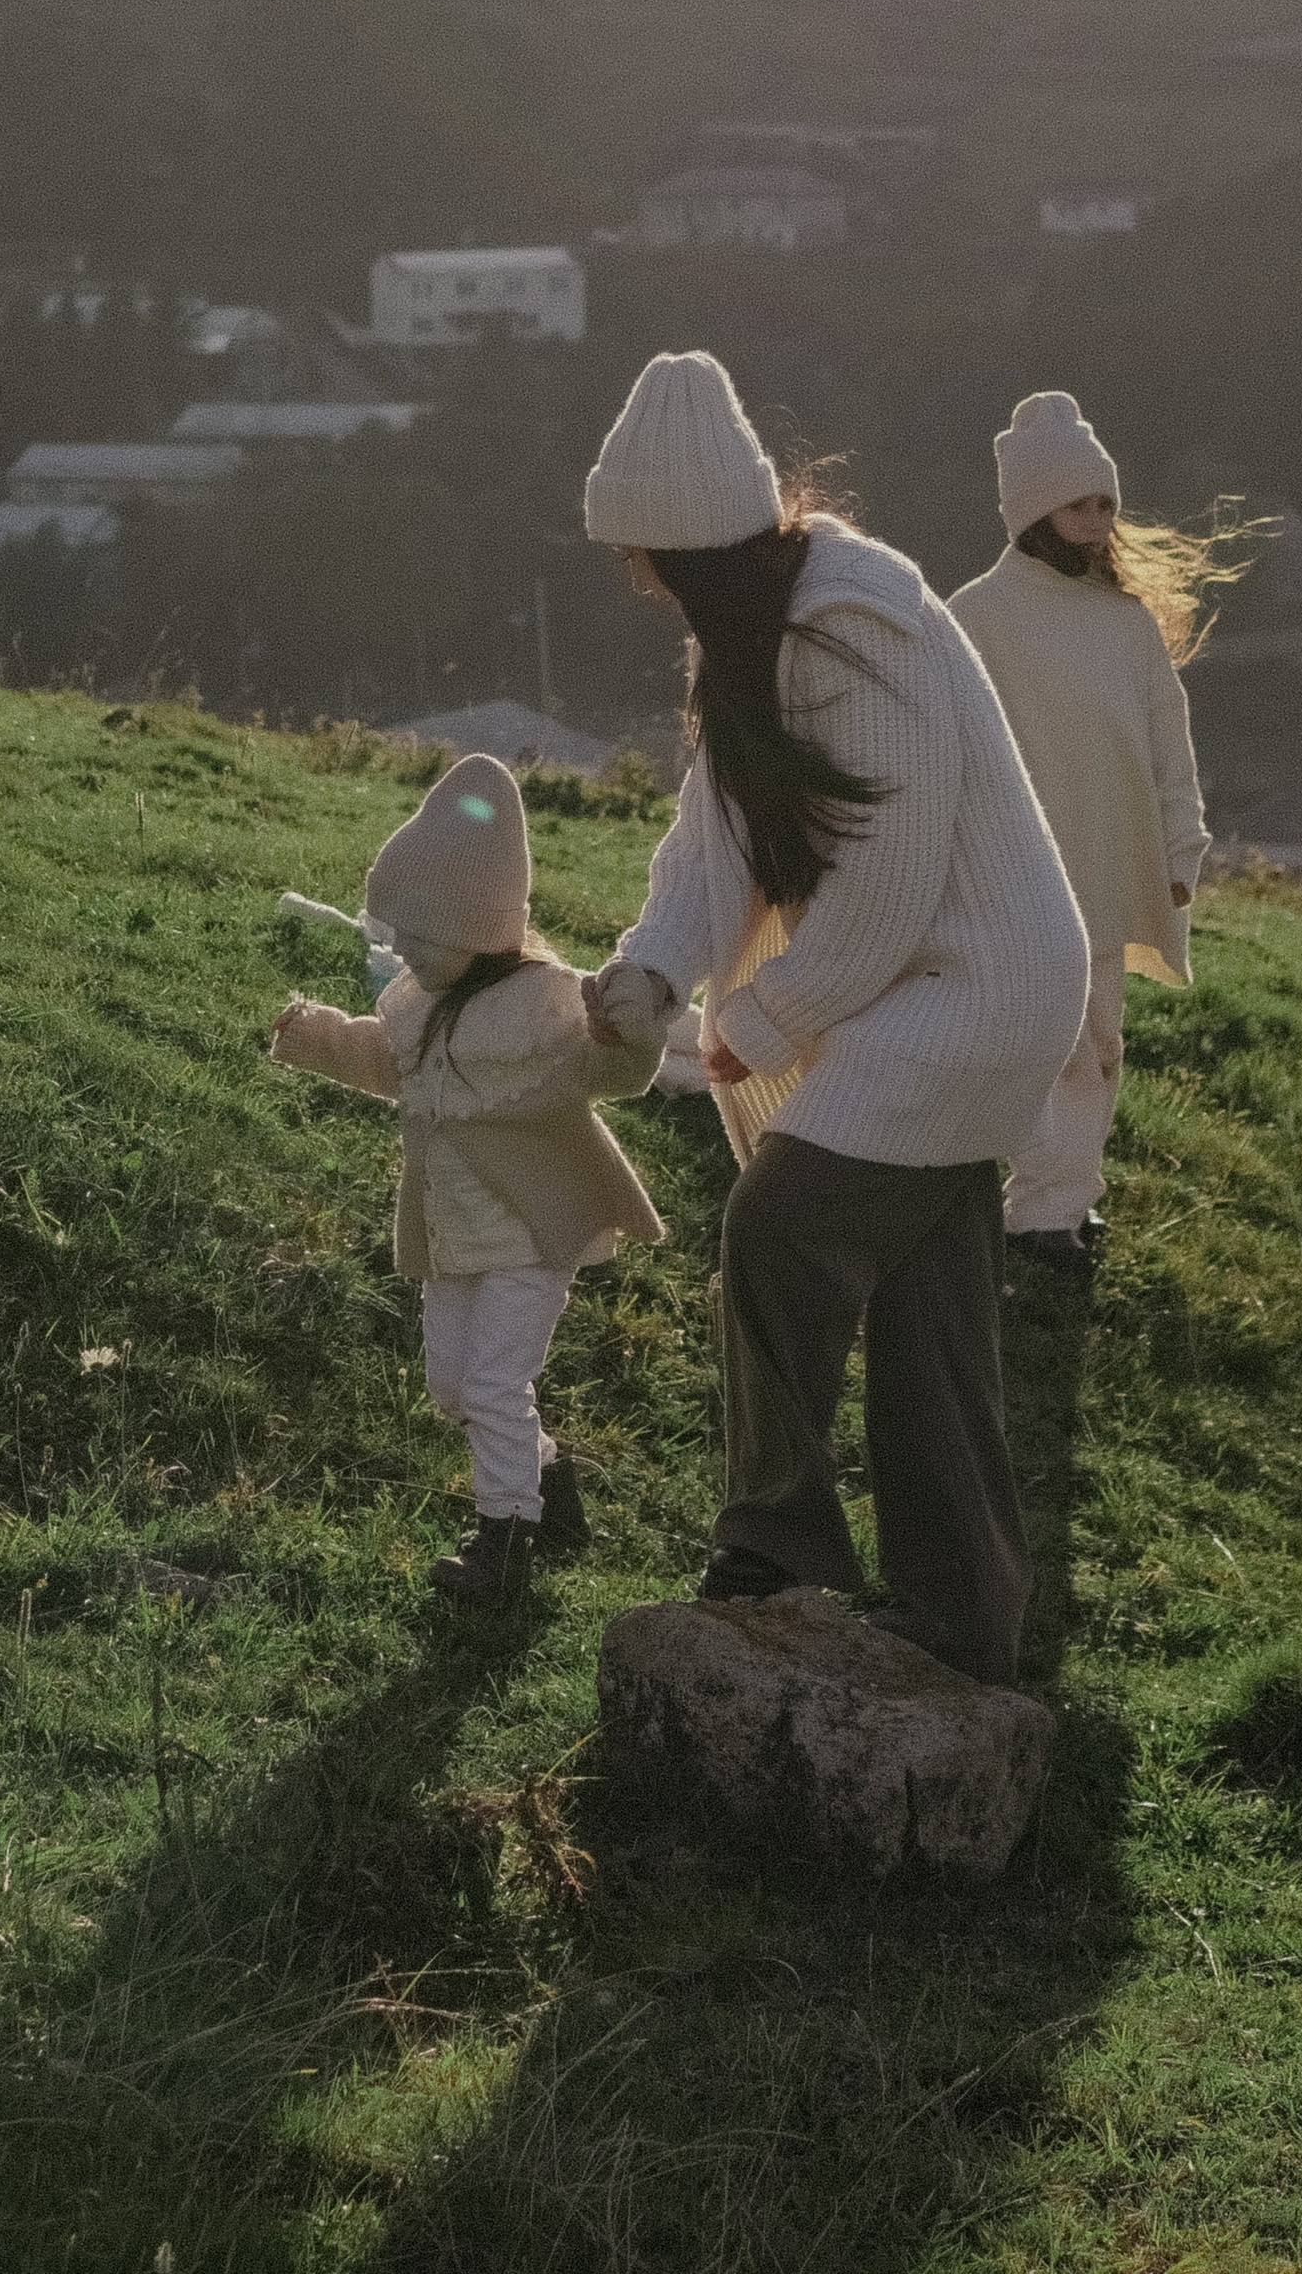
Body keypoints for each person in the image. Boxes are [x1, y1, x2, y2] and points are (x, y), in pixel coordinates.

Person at [582, 349, 1087, 1687]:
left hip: (975, 989)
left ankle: (778, 1548)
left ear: (688, 544)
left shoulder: (857, 630)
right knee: (933, 1319)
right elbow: (712, 842)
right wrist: (649, 970)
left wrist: (758, 1018)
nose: (633, 575)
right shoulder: (753, 633)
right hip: (920, 991)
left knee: (782, 1225)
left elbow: (893, 878)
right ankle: (968, 1620)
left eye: (642, 551)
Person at [268, 753, 665, 1608]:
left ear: (475, 928)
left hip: (529, 1231)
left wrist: (636, 1027)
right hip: (452, 1232)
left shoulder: (547, 1005)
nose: (401, 950)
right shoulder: (417, 998)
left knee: (492, 1382)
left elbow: (618, 1069)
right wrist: (311, 1036)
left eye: (417, 934)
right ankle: (550, 1485)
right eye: (395, 934)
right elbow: (390, 1062)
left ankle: (504, 1543)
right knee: (452, 1387)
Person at [947, 392, 1212, 1268]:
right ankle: (1030, 1215)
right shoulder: (973, 619)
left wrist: (1180, 854)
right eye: (1078, 504)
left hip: (1108, 872)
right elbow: (945, 748)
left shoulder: (1126, 623)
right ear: (1031, 509)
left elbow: (1170, 749)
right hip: (1016, 878)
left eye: (1106, 504)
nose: (1097, 522)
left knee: (1099, 1045)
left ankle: (1061, 1210)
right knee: (1042, 1044)